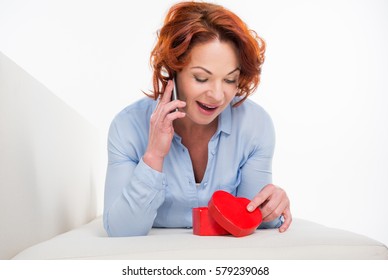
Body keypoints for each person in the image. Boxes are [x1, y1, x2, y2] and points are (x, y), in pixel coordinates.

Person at [103, 1, 292, 237]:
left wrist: (272, 205)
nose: (217, 95)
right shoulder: (127, 127)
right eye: (201, 78)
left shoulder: (255, 125)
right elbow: (121, 231)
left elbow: (251, 217)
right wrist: (154, 156)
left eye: (230, 79)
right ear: (174, 70)